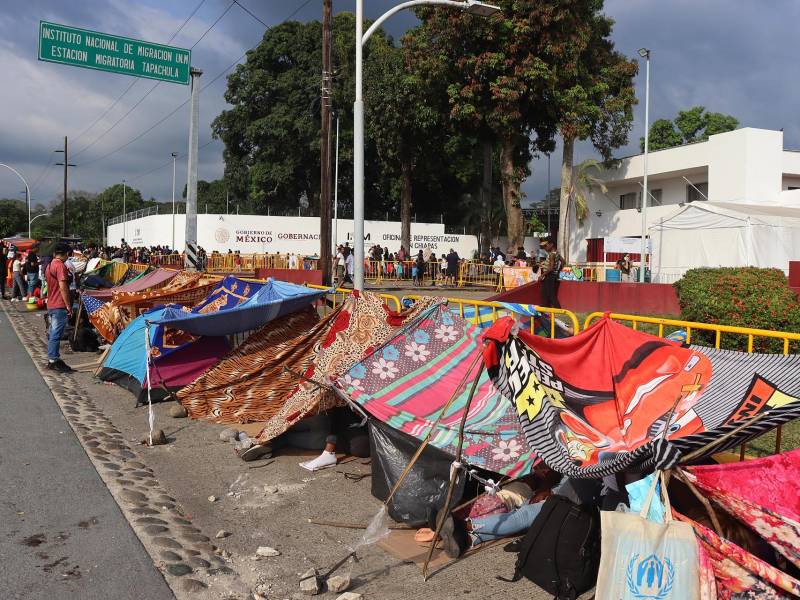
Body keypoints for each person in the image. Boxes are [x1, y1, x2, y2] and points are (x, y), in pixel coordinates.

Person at [45, 244, 74, 373]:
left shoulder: (49, 265)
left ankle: (53, 358)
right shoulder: (60, 266)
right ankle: (53, 359)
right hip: (59, 304)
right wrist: (68, 305)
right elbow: (63, 287)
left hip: (51, 303)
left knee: (53, 332)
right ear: (66, 253)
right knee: (56, 334)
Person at [538, 237, 564, 309]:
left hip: (549, 275)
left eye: (546, 246)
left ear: (551, 244)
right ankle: (545, 309)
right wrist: (558, 271)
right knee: (545, 293)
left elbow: (551, 268)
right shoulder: (556, 253)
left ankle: (558, 310)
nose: (544, 248)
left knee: (550, 295)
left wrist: (542, 275)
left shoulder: (552, 254)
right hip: (552, 275)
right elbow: (563, 261)